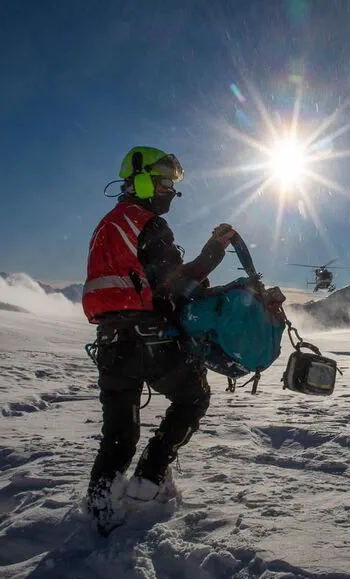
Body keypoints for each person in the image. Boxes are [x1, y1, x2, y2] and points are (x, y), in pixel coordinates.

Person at [82, 146, 235, 530]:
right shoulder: (146, 222)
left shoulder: (109, 224)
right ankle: (148, 481)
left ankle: (102, 510)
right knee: (194, 397)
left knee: (118, 433)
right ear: (144, 179)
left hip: (110, 343)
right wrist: (215, 251)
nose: (171, 191)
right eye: (166, 182)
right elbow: (174, 285)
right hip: (150, 342)